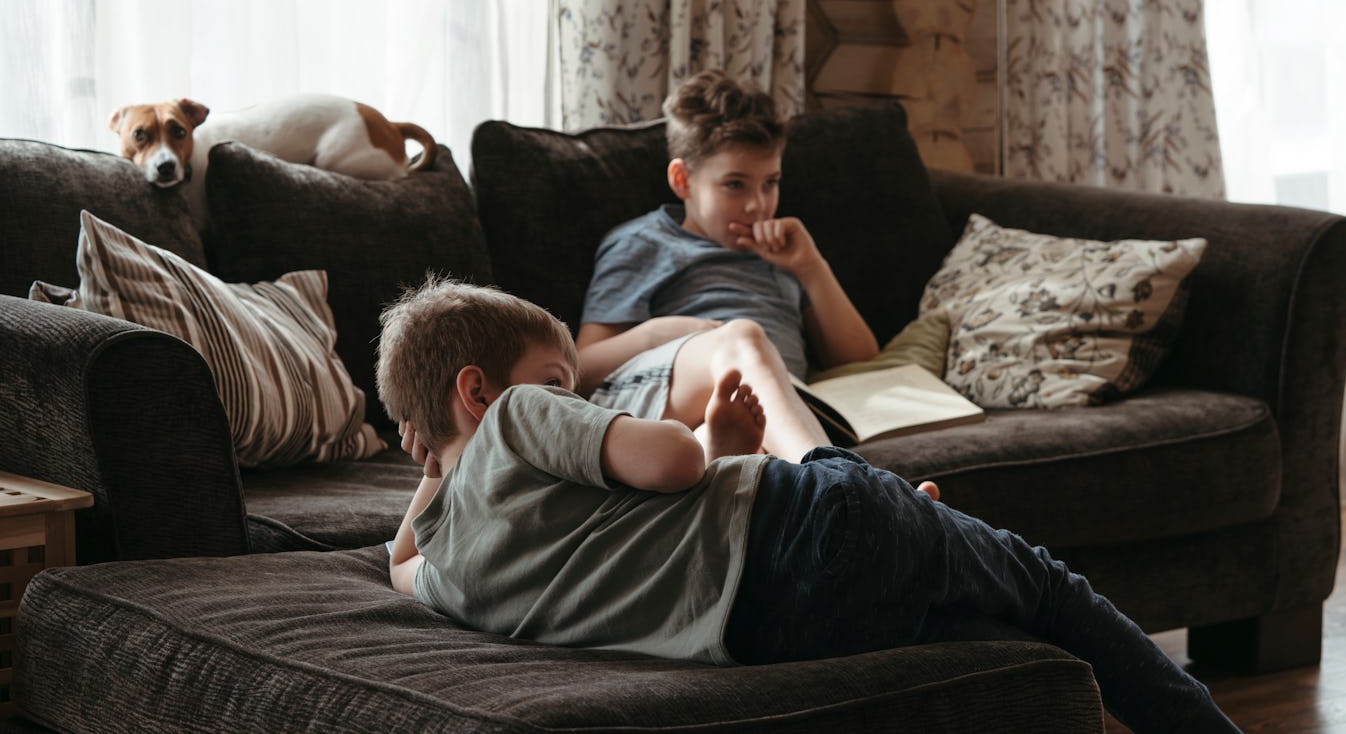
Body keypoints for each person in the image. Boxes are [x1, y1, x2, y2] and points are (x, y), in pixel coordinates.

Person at [379, 279, 1240, 734]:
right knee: (1052, 596)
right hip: (809, 526)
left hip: (767, 632)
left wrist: (434, 472)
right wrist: (705, 445)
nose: (567, 395)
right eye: (558, 382)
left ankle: (917, 529)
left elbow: (400, 563)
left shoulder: (452, 574)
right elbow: (674, 464)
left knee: (1014, 656)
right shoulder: (521, 417)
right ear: (480, 391)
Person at [575, 68, 877, 465]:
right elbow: (578, 368)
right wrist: (660, 333)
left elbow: (858, 360)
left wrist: (811, 266)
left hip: (769, 405)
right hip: (665, 387)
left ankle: (716, 451)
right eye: (735, 185)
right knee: (744, 337)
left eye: (770, 183)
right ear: (682, 180)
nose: (758, 205)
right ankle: (834, 479)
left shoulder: (784, 253)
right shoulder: (644, 243)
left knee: (758, 444)